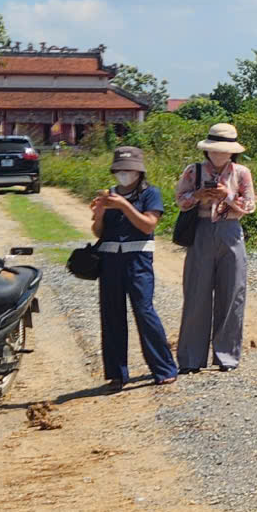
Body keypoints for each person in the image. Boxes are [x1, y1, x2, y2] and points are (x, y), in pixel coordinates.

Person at [87, 147, 178, 390]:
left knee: (144, 312)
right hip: (110, 260)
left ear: (139, 171)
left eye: (129, 169)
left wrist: (124, 206)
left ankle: (164, 368)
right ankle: (116, 373)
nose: (124, 174)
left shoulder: (150, 194)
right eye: (120, 169)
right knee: (112, 315)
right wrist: (99, 215)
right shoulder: (110, 195)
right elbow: (99, 232)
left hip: (138, 260)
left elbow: (148, 225)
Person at [175, 122, 257, 374]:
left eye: (225, 150)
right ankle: (191, 358)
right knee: (196, 294)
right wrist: (198, 196)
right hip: (200, 230)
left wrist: (227, 195)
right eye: (215, 149)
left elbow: (250, 206)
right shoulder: (193, 171)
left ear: (233, 151)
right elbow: (180, 201)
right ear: (207, 150)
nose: (219, 154)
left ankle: (227, 356)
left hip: (230, 231)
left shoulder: (241, 173)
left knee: (232, 293)